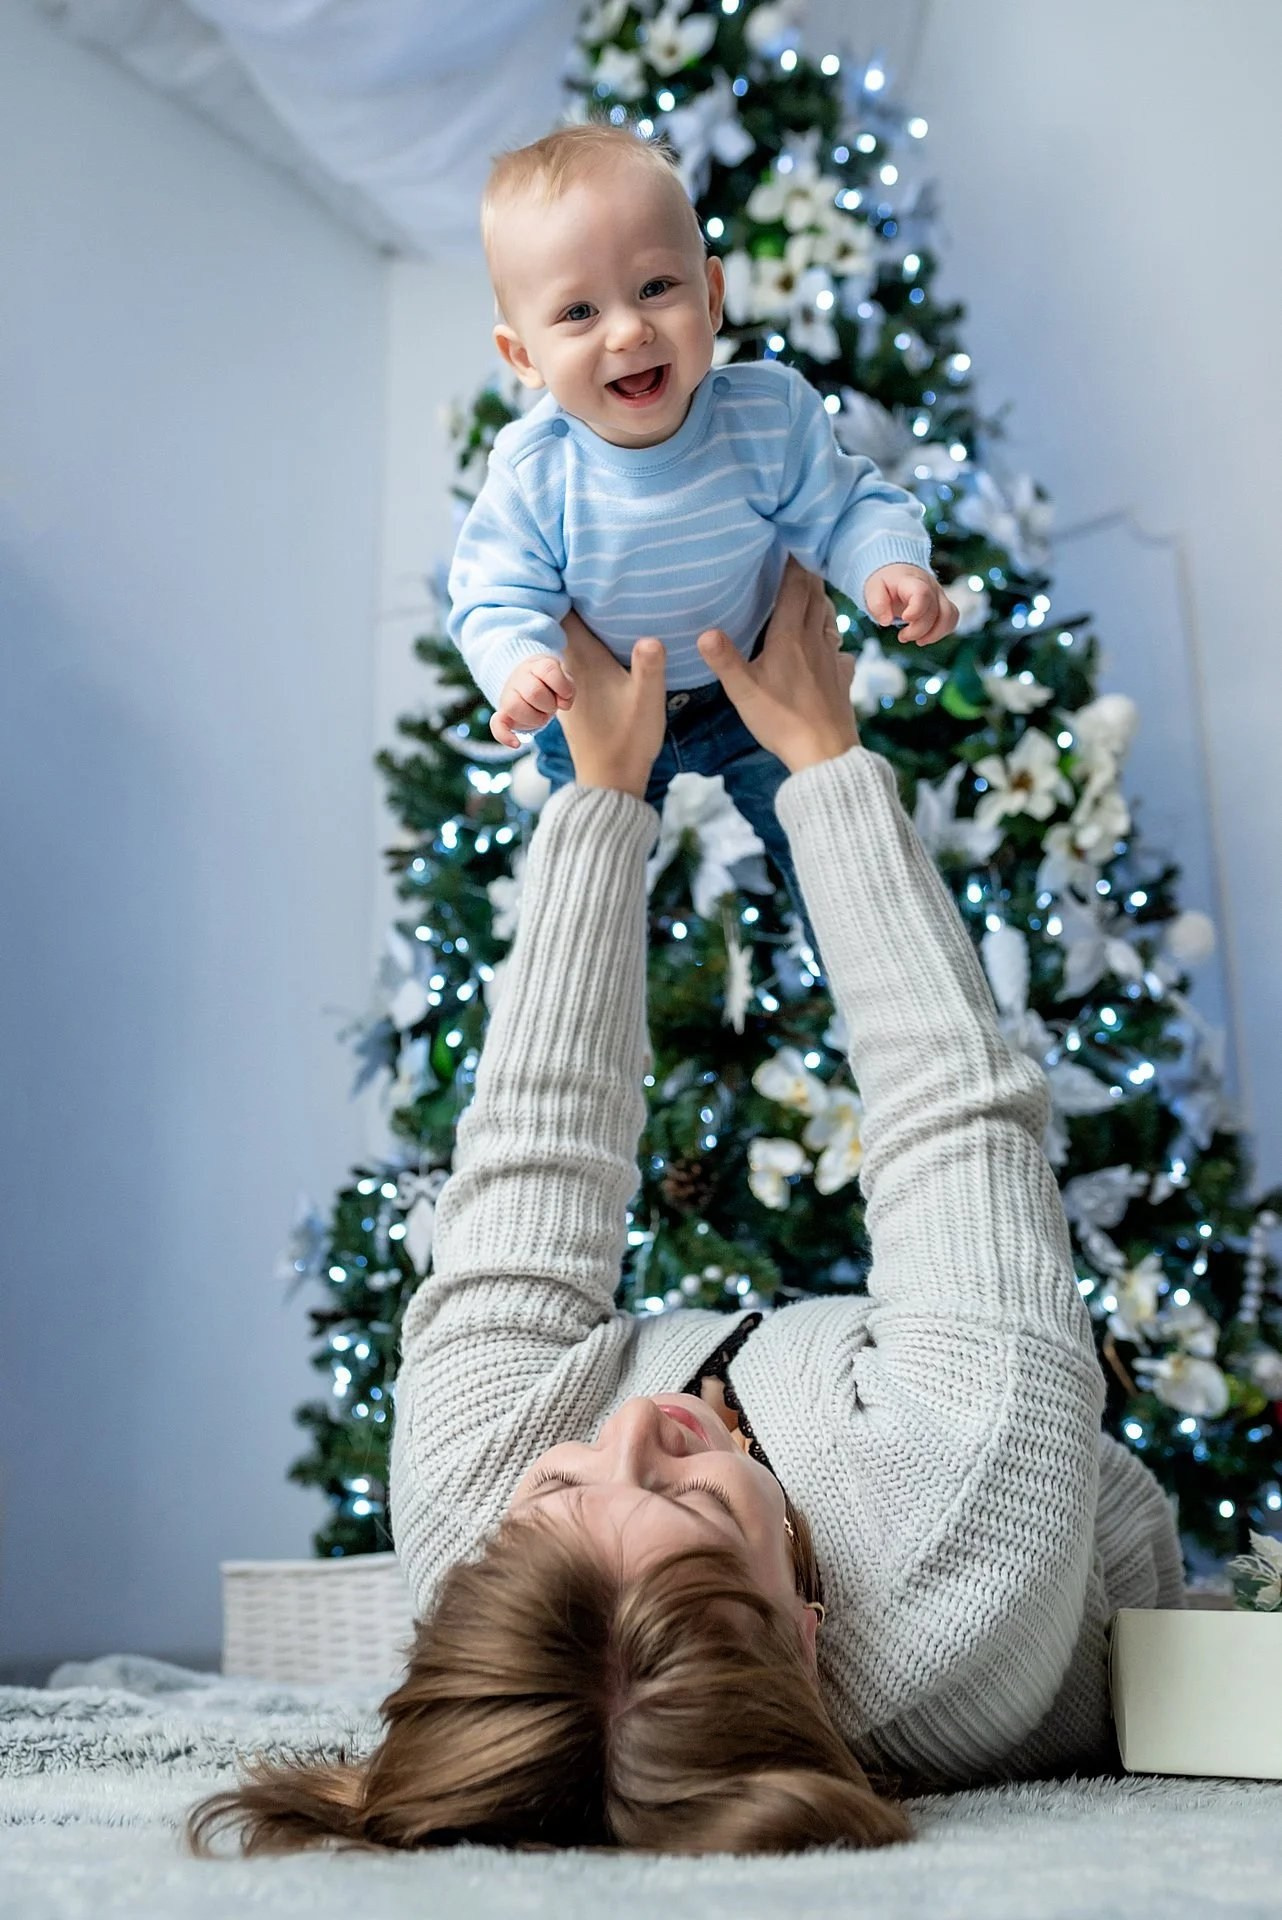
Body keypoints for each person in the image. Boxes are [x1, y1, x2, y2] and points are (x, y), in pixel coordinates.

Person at [186, 560, 1186, 1861]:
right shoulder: (960, 1507)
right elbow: (952, 1112)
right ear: (806, 1633)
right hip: (1066, 1533)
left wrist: (599, 792)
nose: (638, 1433)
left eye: (561, 1481)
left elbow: (539, 1133)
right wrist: (823, 760)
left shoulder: (470, 1508)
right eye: (695, 1500)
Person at [446, 121, 958, 947]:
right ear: (524, 355)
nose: (627, 331)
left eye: (656, 288)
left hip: (755, 690)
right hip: (602, 712)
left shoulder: (767, 414)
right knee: (589, 903)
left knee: (823, 849)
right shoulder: (533, 472)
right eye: (578, 311)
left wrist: (886, 566)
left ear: (712, 297)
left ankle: (849, 959)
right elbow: (492, 595)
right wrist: (521, 667)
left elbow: (847, 503)